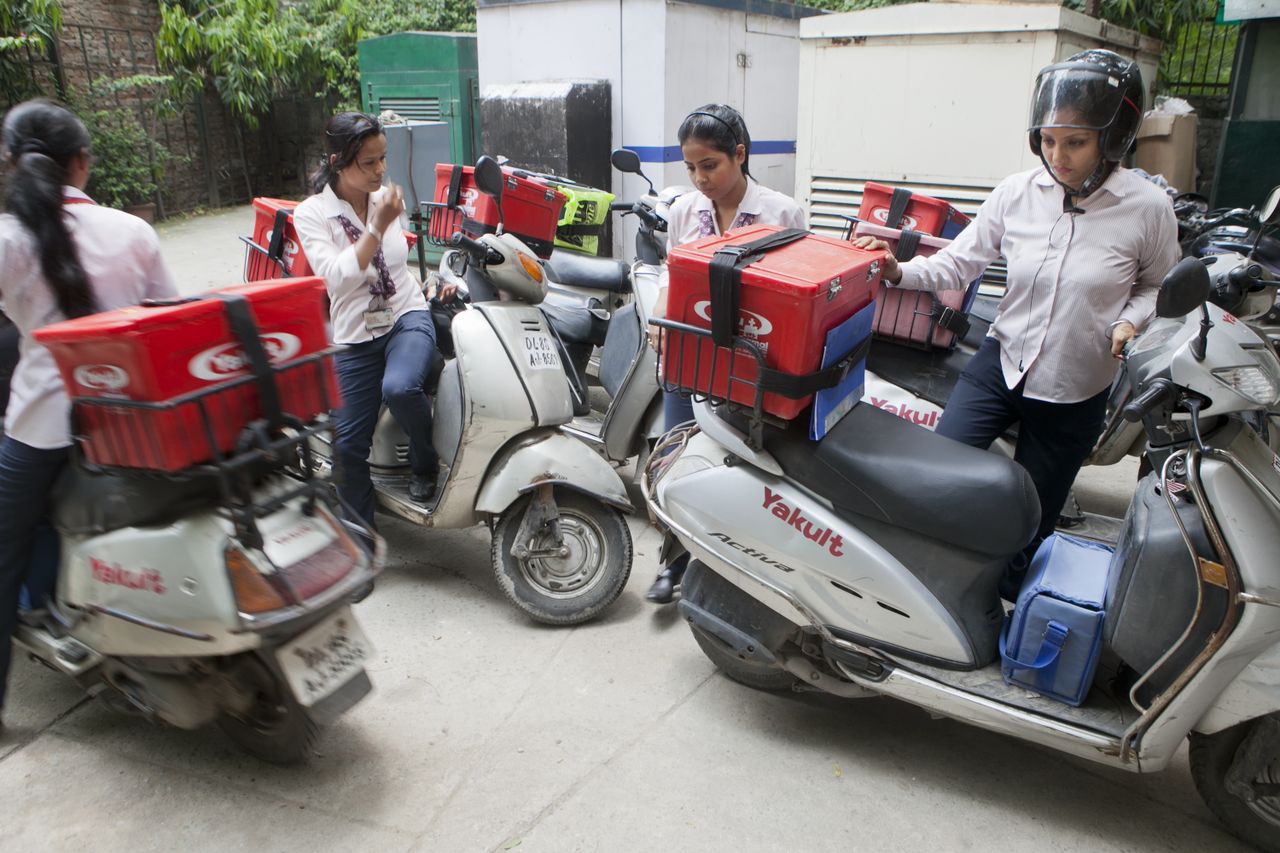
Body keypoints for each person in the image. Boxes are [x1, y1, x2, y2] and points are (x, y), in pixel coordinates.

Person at [855, 50, 1180, 596]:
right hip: (1000, 365)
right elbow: (959, 262)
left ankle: (1003, 606)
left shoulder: (1147, 209)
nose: (1059, 156)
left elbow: (1157, 287)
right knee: (939, 475)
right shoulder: (1017, 193)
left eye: (1075, 142)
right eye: (1048, 141)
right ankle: (930, 587)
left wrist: (1129, 322)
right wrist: (896, 268)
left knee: (1029, 518)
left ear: (1114, 136)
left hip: (1075, 390)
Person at [0, 99, 177, 727]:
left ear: (15, 166)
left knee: (6, 546)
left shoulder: (8, 241)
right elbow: (170, 319)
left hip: (45, 425)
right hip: (132, 422)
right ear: (82, 163)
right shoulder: (132, 231)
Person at [645, 103, 806, 604]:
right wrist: (660, 319)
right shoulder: (683, 213)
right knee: (676, 455)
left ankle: (746, 570)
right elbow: (673, 273)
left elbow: (797, 292)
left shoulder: (782, 213)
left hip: (748, 362)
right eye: (691, 168)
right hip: (690, 357)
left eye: (709, 165)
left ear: (740, 154)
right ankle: (673, 562)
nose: (699, 179)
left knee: (745, 464)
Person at [294, 112, 450, 525]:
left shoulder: (386, 199)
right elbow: (338, 279)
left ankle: (424, 461)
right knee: (346, 445)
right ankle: (360, 539)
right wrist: (375, 229)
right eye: (368, 162)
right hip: (355, 333)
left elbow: (396, 264)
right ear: (336, 162)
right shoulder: (311, 214)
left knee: (400, 387)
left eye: (384, 158)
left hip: (405, 314)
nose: (381, 170)